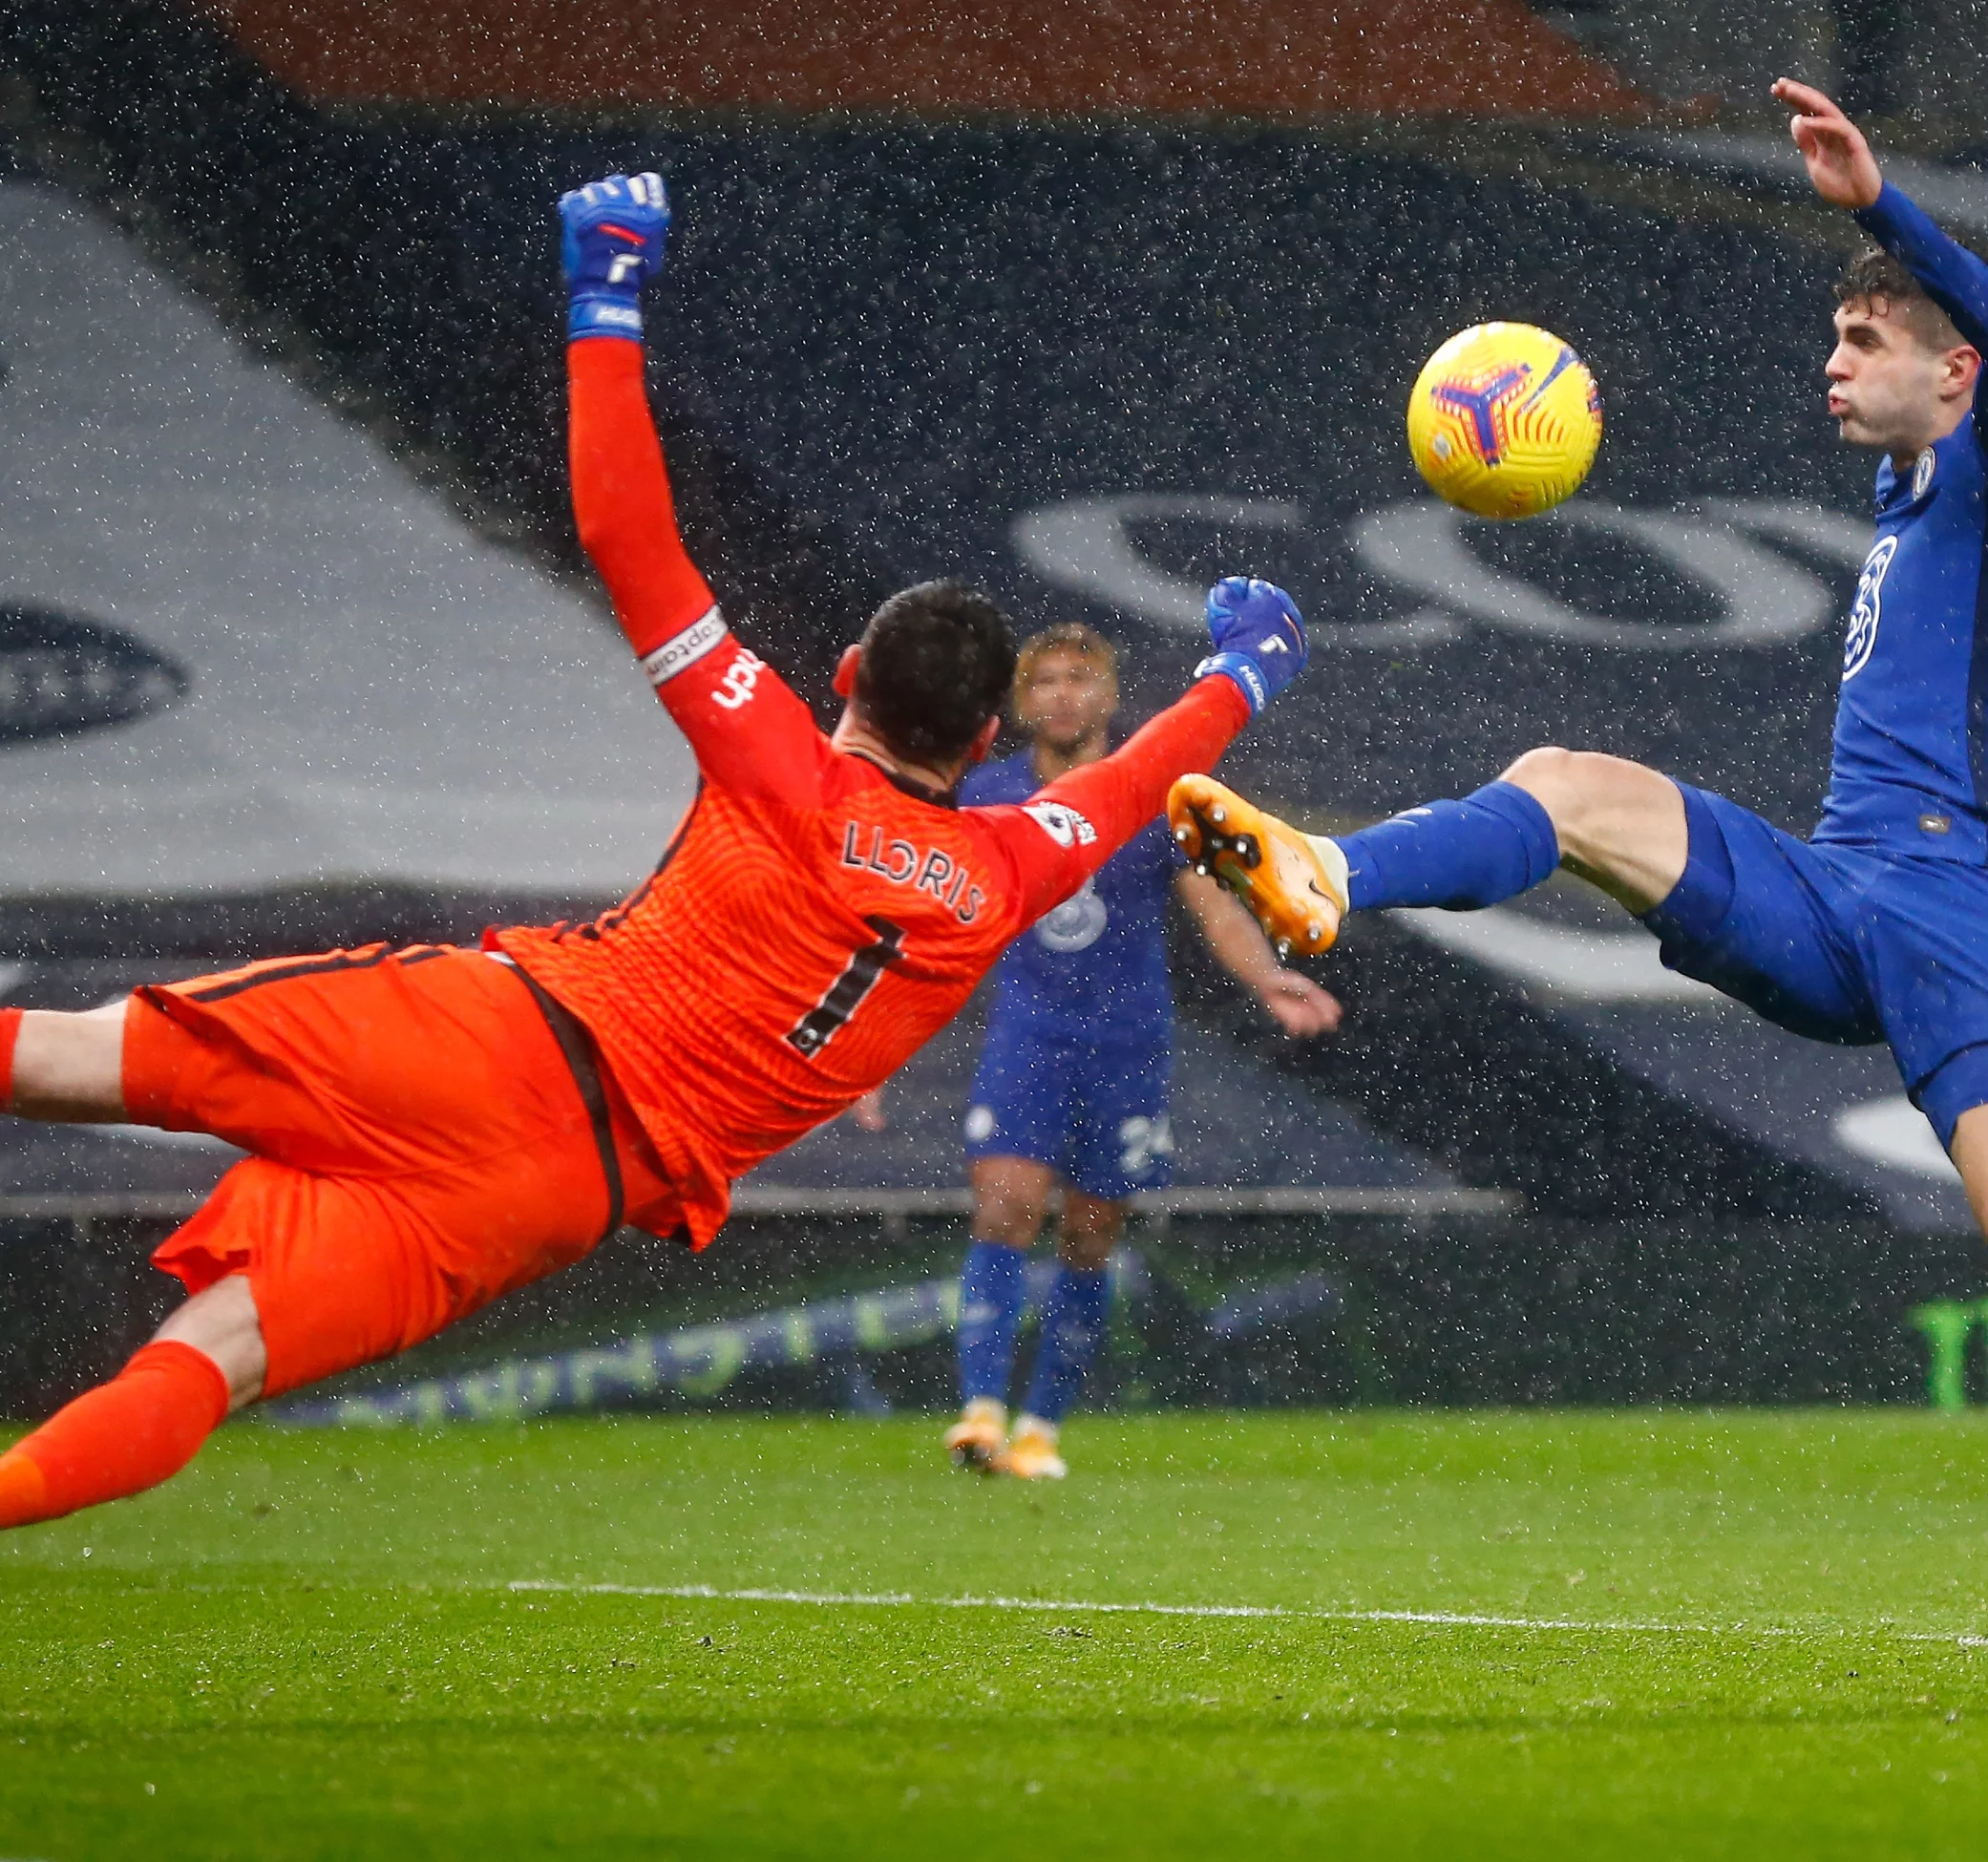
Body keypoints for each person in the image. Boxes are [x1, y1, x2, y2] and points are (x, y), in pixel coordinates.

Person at [1168, 82, 1988, 1692]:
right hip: (1840, 896)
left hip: (1972, 921)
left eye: (1865, 342)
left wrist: (1878, 205)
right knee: (1567, 785)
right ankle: (1328, 872)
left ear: (1949, 368)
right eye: (1836, 337)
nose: (1833, 365)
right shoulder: (1928, 493)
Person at [0, 172, 1308, 1534]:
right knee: (208, 1358)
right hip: (561, 1192)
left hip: (495, 1037)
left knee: (61, 1059)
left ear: (849, 671)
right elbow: (1140, 778)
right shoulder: (1009, 868)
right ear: (985, 730)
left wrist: (606, 287)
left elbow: (627, 533)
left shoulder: (777, 759)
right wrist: (1250, 671)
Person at [943, 624, 1342, 1479]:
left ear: (1110, 697)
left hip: (1127, 1043)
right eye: (1044, 681)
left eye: (1079, 679)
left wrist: (1268, 979)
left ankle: (1041, 1428)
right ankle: (980, 1411)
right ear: (1021, 703)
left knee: (1090, 1235)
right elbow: (946, 913)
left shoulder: (1155, 792)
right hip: (1030, 1034)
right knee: (1005, 1207)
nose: (1062, 695)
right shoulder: (987, 793)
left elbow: (1214, 903)